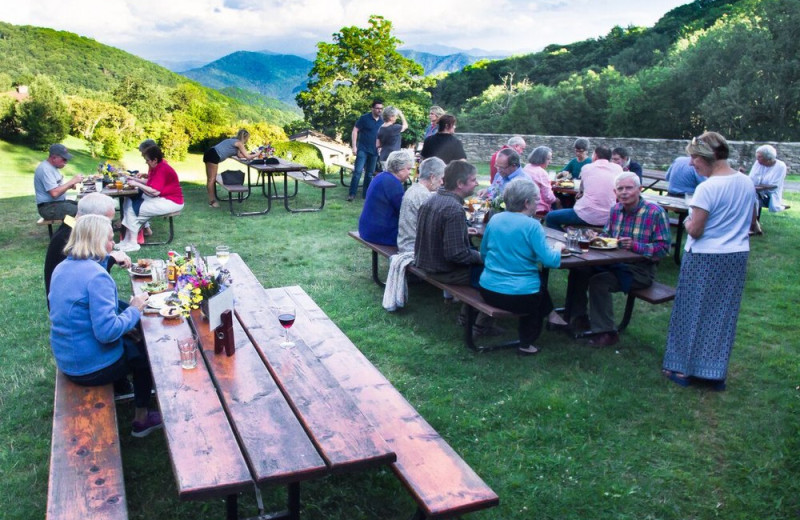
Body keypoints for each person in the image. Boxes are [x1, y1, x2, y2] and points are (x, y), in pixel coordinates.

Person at [49, 214, 162, 437]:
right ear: (98, 242)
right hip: (90, 367)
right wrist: (135, 308)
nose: (113, 244)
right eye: (110, 239)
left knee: (133, 335)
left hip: (68, 357)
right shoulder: (97, 277)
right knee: (145, 351)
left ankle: (133, 396)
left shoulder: (62, 268)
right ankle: (141, 418)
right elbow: (107, 332)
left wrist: (125, 322)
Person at [662, 132, 757, 390]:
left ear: (708, 157)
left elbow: (695, 231)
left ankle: (682, 369)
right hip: (736, 256)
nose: (691, 164)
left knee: (691, 312)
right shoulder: (746, 182)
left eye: (694, 158)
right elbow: (751, 223)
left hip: (705, 257)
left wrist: (686, 220)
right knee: (720, 314)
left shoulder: (707, 188)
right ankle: (713, 374)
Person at [564, 171, 671, 347]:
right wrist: (596, 236)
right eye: (620, 189)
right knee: (578, 269)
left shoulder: (655, 213)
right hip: (612, 262)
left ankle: (607, 332)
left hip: (640, 270)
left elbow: (663, 249)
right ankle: (578, 317)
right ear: (615, 192)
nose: (624, 192)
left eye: (629, 188)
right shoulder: (616, 210)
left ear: (640, 189)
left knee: (599, 282)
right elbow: (608, 235)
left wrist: (636, 246)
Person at [479, 178, 565, 355]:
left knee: (536, 280)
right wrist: (558, 248)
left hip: (488, 290)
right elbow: (550, 261)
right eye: (536, 199)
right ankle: (527, 344)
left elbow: (484, 253)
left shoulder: (495, 219)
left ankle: (553, 315)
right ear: (527, 203)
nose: (538, 203)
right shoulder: (533, 226)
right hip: (518, 297)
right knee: (534, 291)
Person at [414, 161, 499, 336]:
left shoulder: (432, 199)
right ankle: (480, 326)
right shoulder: (453, 209)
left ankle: (466, 316)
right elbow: (456, 255)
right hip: (441, 270)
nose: (476, 183)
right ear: (460, 184)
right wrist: (483, 257)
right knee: (497, 272)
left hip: (425, 262)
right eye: (473, 180)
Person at [44, 193, 131, 301]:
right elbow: (92, 276)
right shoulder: (68, 239)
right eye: (106, 221)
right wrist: (112, 258)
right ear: (92, 219)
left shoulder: (72, 229)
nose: (109, 227)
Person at [116, 145, 184, 252]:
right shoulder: (157, 166)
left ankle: (133, 243)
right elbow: (150, 183)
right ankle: (127, 240)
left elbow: (155, 191)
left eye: (147, 160)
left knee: (133, 209)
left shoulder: (162, 168)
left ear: (154, 160)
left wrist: (137, 184)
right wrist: (134, 179)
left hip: (172, 201)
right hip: (163, 198)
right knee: (129, 202)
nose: (146, 162)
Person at [545, 146, 620, 231]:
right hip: (609, 216)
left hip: (587, 215)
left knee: (550, 217)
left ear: (595, 156)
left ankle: (565, 238)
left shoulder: (587, 168)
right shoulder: (618, 169)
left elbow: (581, 191)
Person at [358, 150, 414, 247]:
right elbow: (404, 211)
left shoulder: (380, 176)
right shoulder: (393, 183)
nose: (410, 173)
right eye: (408, 169)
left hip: (366, 229)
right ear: (399, 169)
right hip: (378, 234)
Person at [397, 157, 446, 254]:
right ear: (432, 177)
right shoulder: (425, 196)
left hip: (405, 243)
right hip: (415, 248)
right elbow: (434, 230)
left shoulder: (414, 189)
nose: (442, 182)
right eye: (441, 178)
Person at [203, 129, 257, 207]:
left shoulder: (233, 141)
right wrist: (258, 154)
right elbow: (248, 157)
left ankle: (212, 200)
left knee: (210, 179)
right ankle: (212, 202)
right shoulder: (239, 143)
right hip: (214, 155)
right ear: (245, 137)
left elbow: (240, 156)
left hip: (209, 152)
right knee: (211, 179)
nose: (247, 140)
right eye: (247, 138)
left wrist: (252, 155)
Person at [348, 99, 385, 201]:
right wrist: (354, 146)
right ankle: (352, 194)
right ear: (372, 108)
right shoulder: (364, 118)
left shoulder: (383, 121)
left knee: (369, 174)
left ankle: (366, 195)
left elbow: (383, 135)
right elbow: (355, 130)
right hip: (362, 149)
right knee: (357, 172)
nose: (379, 110)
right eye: (377, 108)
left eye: (381, 109)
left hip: (374, 151)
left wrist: (381, 148)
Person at [34, 144, 83, 220]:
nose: (66, 162)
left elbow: (57, 189)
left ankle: (69, 231)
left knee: (84, 206)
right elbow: (54, 193)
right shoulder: (45, 169)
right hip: (48, 208)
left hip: (56, 204)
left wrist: (70, 186)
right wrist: (72, 181)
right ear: (54, 158)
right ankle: (67, 232)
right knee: (82, 211)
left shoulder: (52, 168)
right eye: (64, 159)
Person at [748, 144, 787, 214]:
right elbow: (751, 179)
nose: (757, 158)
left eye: (760, 157)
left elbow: (774, 186)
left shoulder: (780, 166)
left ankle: (754, 222)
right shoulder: (758, 163)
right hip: (756, 191)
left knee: (752, 197)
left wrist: (758, 187)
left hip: (769, 196)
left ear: (768, 158)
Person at [523, 146, 560, 215]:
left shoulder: (526, 167)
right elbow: (548, 197)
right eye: (548, 159)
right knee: (559, 201)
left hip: (524, 203)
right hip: (537, 207)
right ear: (541, 159)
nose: (550, 161)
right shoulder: (541, 172)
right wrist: (556, 200)